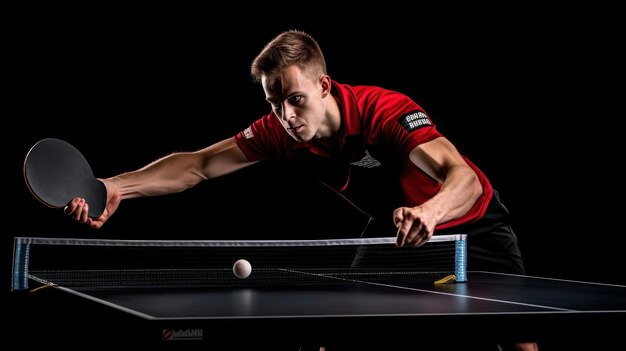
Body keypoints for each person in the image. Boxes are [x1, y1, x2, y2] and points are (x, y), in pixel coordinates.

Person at [64, 30, 538, 350]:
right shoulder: (280, 132)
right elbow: (200, 165)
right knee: (336, 328)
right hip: (396, 232)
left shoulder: (383, 112)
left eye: (295, 100)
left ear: (324, 86)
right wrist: (114, 186)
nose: (286, 117)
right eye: (274, 104)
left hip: (471, 225)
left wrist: (431, 213)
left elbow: (463, 177)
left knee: (517, 338)